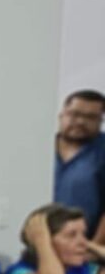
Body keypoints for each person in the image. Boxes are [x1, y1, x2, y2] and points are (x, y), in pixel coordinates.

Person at [54, 89, 105, 243]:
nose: (81, 122)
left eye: (91, 117)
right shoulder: (40, 146)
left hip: (85, 245)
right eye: (74, 114)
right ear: (62, 114)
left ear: (100, 121)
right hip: (39, 243)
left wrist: (93, 247)